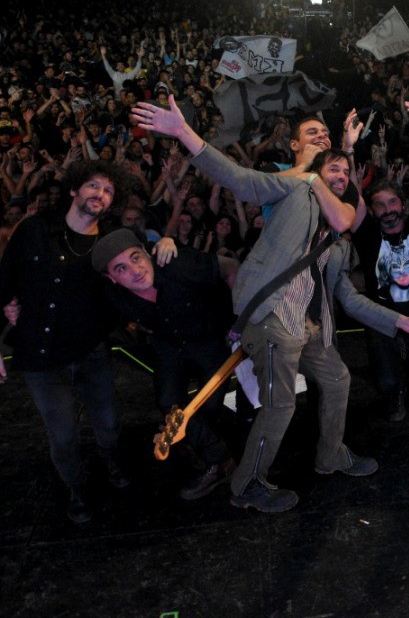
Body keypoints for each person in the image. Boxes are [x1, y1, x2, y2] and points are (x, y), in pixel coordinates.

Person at [131, 95, 367, 513]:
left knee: (338, 379)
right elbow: (238, 177)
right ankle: (247, 485)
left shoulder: (321, 188)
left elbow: (350, 214)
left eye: (324, 133)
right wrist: (184, 133)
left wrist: (344, 153)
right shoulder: (286, 183)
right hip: (274, 313)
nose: (322, 136)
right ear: (294, 147)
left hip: (308, 317)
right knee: (280, 405)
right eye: (312, 134)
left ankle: (331, 453)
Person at [0, 160, 129, 524]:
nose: (99, 194)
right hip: (41, 359)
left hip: (90, 352)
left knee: (108, 422)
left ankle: (110, 457)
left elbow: (138, 273)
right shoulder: (34, 229)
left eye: (107, 191)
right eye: (93, 186)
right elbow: (4, 283)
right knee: (63, 436)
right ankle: (76, 485)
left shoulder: (111, 240)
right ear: (74, 189)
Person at [91, 228, 240, 500]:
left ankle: (204, 447)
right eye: (122, 268)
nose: (135, 270)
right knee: (168, 400)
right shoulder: (112, 295)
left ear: (146, 251)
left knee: (209, 406)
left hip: (209, 337)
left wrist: (242, 319)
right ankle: (220, 460)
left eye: (136, 258)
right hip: (168, 344)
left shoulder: (178, 263)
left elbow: (231, 267)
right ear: (110, 277)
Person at [351, 102, 409, 421]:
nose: (387, 209)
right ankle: (394, 392)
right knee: (388, 382)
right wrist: (348, 151)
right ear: (373, 211)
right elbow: (350, 196)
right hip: (384, 321)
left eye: (392, 202)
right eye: (379, 204)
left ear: (402, 205)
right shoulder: (367, 235)